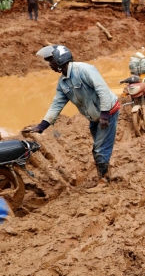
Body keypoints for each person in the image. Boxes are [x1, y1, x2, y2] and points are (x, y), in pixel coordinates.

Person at [25, 45, 120, 192]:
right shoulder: (63, 82)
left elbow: (102, 88)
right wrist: (42, 126)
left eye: (52, 61)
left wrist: (105, 114)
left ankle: (104, 182)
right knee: (98, 147)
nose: (50, 64)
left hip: (107, 113)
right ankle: (105, 174)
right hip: (94, 116)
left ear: (60, 59)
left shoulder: (84, 70)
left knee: (100, 148)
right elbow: (57, 103)